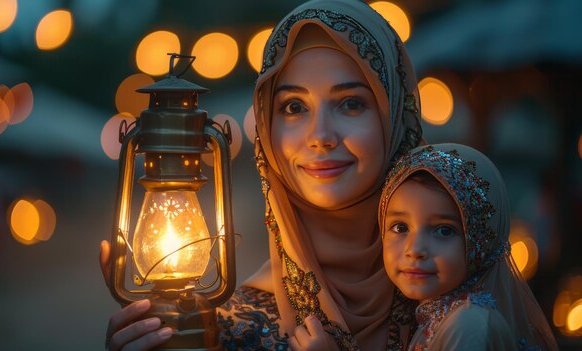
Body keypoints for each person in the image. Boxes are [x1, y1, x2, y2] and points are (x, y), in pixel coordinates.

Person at [100, 0, 423, 349]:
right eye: (294, 107)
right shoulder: (232, 331)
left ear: (393, 118)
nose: (321, 136)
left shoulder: (456, 291)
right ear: (267, 130)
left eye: (351, 103)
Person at [379, 143, 558, 350]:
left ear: (481, 239)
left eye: (444, 231)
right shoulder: (436, 317)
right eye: (400, 227)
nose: (415, 249)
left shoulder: (468, 324)